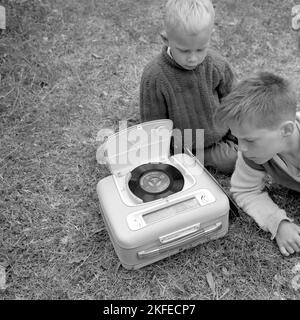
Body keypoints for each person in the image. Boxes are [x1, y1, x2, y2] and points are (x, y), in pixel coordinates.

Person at [139, 0, 238, 174]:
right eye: (184, 51)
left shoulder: (217, 65)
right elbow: (154, 123)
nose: (193, 58)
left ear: (210, 37)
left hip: (222, 130)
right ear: (166, 39)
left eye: (200, 49)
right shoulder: (155, 76)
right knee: (231, 161)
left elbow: (234, 101)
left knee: (257, 138)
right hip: (190, 146)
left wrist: (239, 131)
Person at [215, 71, 300, 256]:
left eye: (250, 140)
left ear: (286, 130)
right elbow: (245, 190)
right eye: (237, 139)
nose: (241, 148)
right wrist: (277, 222)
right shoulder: (253, 154)